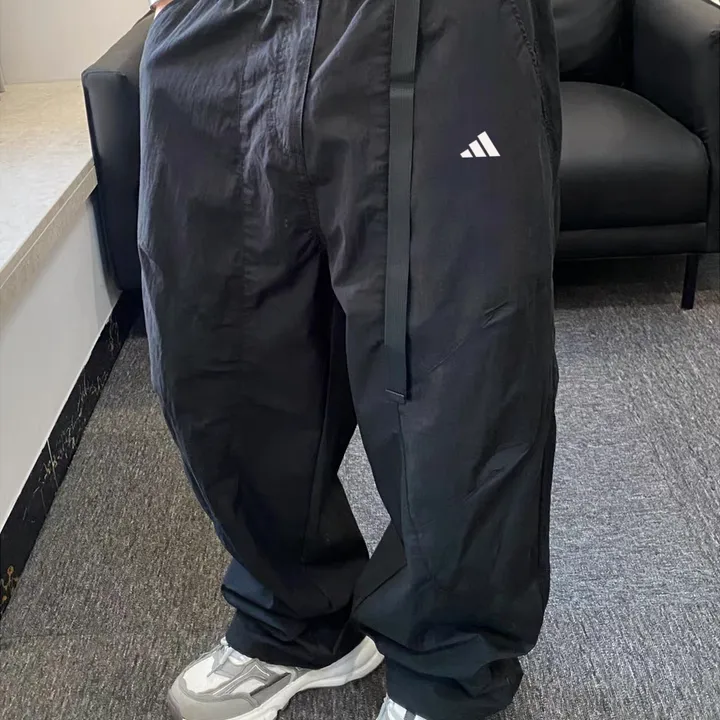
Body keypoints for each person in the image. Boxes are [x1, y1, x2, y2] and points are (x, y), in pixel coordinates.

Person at [138, 0, 561, 718]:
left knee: (459, 377)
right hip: (229, 24)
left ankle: (447, 669)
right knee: (216, 354)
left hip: (441, 24)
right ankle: (298, 617)